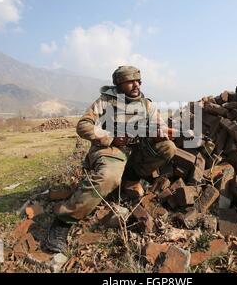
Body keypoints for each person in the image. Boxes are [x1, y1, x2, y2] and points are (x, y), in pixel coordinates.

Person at [44, 66, 176, 253]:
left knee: (168, 148)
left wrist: (161, 134)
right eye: (130, 81)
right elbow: (83, 126)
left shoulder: (146, 105)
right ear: (119, 84)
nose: (136, 84)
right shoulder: (106, 101)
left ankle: (129, 179)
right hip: (111, 148)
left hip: (136, 151)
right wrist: (110, 137)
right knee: (108, 177)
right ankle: (63, 221)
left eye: (138, 81)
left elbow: (160, 127)